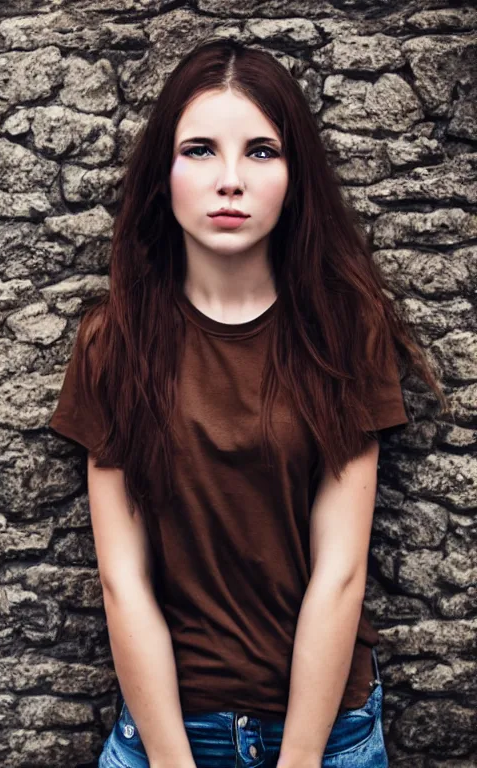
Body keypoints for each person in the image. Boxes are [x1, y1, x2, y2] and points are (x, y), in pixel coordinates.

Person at [48, 37, 448, 768]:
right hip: (166, 735)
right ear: (162, 174)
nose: (229, 179)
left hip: (326, 736)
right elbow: (122, 580)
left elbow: (342, 574)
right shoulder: (115, 341)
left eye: (261, 152)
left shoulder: (342, 332)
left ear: (295, 176)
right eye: (199, 149)